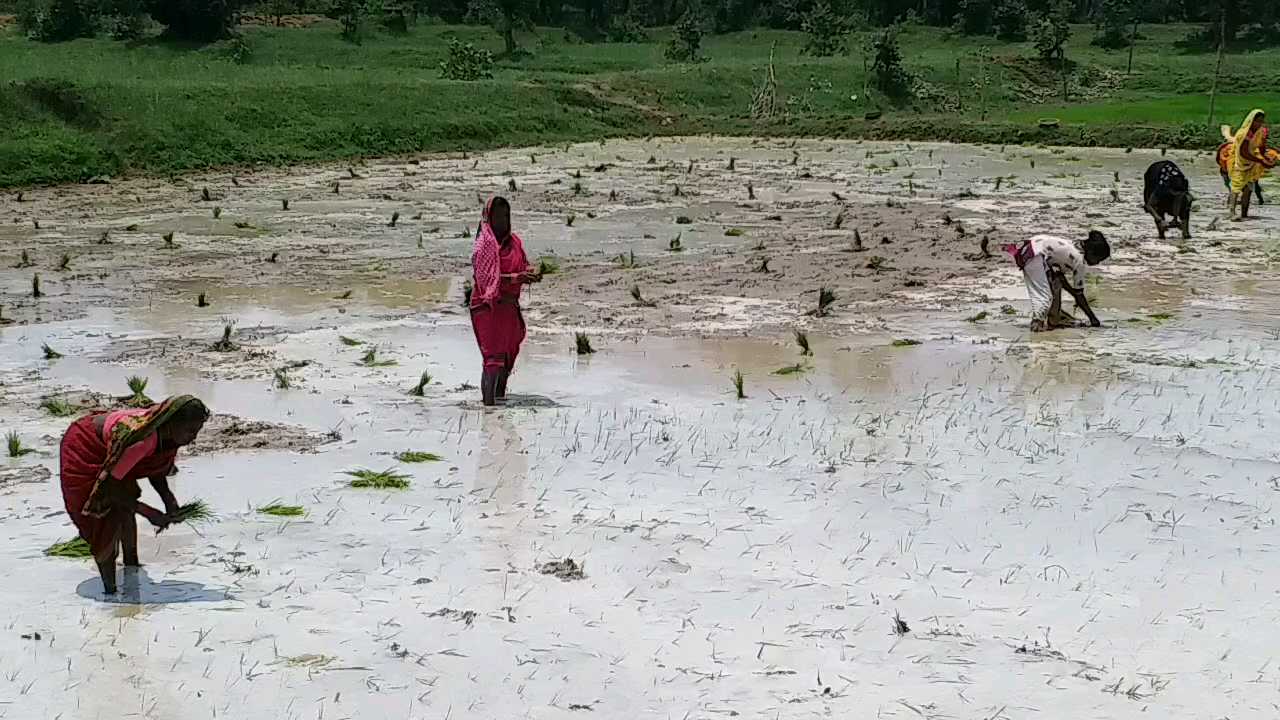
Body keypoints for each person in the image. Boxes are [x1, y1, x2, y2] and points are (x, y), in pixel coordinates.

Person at [59, 395, 210, 594]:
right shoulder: (142, 441)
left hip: (116, 457)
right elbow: (110, 488)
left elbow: (157, 468)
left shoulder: (167, 437)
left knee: (125, 507)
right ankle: (111, 593)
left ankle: (132, 567)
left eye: (197, 431)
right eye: (190, 431)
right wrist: (148, 512)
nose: (194, 438)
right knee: (105, 520)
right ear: (172, 424)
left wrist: (169, 500)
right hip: (86, 447)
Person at [470, 196, 540, 406]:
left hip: (509, 306)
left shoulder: (515, 242)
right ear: (489, 218)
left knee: (506, 359)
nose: (502, 221)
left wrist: (530, 273)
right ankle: (489, 410)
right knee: (492, 359)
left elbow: (523, 264)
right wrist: (516, 278)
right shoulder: (483, 245)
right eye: (498, 216)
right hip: (487, 307)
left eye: (506, 216)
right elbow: (485, 279)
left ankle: (499, 400)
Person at [1003, 231, 1110, 332]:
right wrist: (1093, 319)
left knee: (1056, 284)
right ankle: (1036, 327)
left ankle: (1054, 319)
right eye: (1098, 260)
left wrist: (1073, 292)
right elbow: (1079, 294)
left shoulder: (1073, 246)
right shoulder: (1079, 261)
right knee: (1044, 299)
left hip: (1032, 247)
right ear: (1091, 252)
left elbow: (1060, 277)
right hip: (1034, 255)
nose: (1097, 263)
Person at [1224, 109, 1276, 220]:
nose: (1259, 124)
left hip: (1252, 161)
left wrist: (1265, 157)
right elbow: (1244, 152)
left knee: (1249, 188)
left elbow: (1261, 145)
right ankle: (1232, 212)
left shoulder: (1260, 131)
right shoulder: (1244, 134)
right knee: (1236, 187)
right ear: (1251, 121)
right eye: (1257, 121)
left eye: (1261, 121)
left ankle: (1244, 214)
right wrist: (1261, 161)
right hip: (1240, 161)